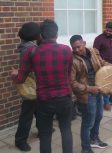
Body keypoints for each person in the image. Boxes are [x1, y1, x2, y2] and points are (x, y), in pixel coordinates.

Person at [11, 19, 73, 153]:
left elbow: (21, 79)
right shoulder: (67, 50)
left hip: (44, 100)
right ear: (56, 34)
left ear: (40, 35)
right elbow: (68, 75)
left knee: (45, 136)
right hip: (64, 98)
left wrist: (13, 75)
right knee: (66, 130)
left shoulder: (32, 52)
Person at [70, 35, 112, 153]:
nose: (76, 50)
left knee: (99, 116)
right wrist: (89, 88)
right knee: (87, 122)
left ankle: (94, 139)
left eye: (78, 47)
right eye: (73, 48)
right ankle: (85, 148)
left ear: (84, 43)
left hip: (98, 91)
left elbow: (102, 63)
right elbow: (72, 83)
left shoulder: (93, 52)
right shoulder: (72, 60)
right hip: (87, 94)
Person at [14, 22, 54, 151]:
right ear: (34, 34)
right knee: (27, 114)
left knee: (39, 109)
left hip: (34, 83)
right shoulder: (30, 48)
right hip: (30, 85)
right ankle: (20, 140)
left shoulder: (30, 46)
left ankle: (42, 131)